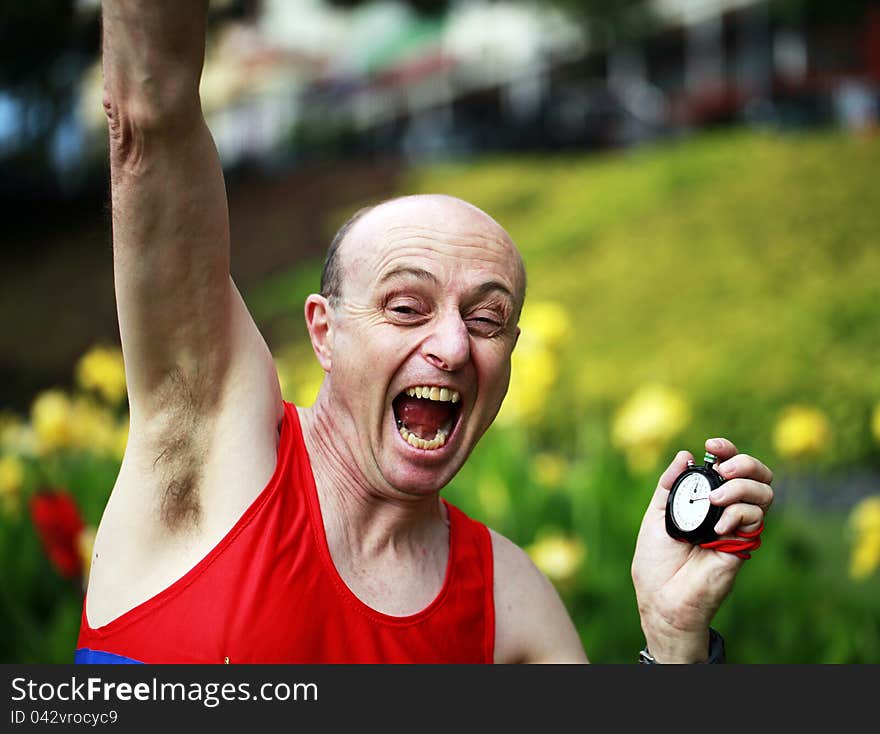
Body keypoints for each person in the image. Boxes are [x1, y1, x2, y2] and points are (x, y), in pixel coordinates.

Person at [75, 1, 774, 664]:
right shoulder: (207, 440)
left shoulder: (512, 603)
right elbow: (148, 117)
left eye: (487, 319)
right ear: (324, 330)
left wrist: (674, 636)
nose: (453, 347)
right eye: (407, 307)